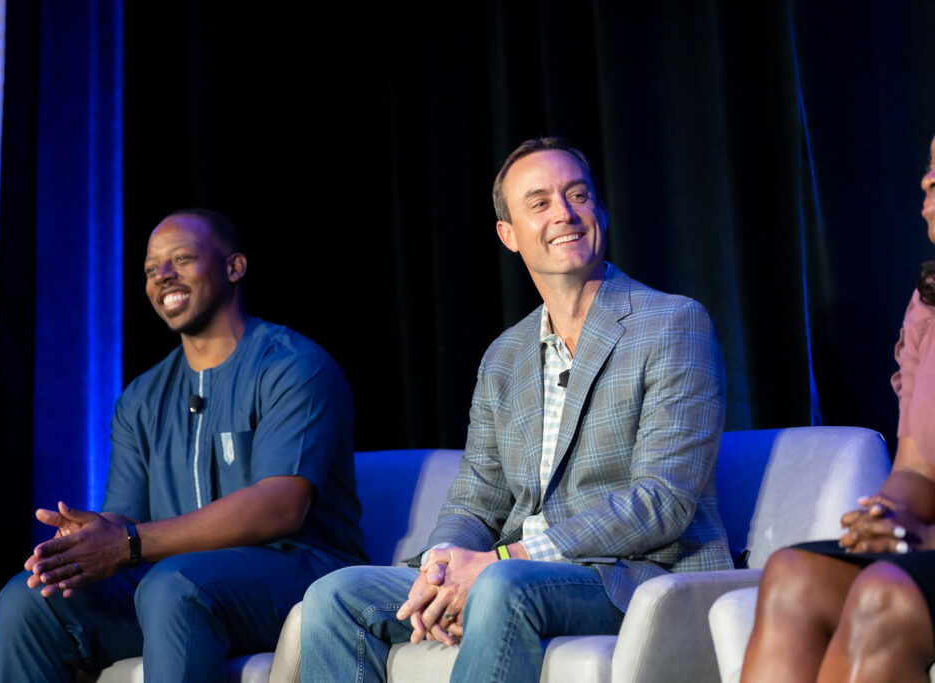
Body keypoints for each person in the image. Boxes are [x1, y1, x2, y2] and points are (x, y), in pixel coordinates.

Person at [300, 137, 731, 682]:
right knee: (335, 594)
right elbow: (477, 497)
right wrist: (442, 567)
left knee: (500, 586)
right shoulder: (504, 355)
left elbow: (662, 501)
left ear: (600, 210)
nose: (565, 214)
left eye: (578, 195)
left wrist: (506, 561)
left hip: (634, 575)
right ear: (509, 235)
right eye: (541, 202)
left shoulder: (672, 323)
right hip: (515, 571)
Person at [0, 209, 366, 682]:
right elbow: (126, 513)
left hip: (302, 573)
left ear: (234, 267)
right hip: (174, 587)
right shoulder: (142, 396)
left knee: (175, 583)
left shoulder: (293, 366)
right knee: (29, 599)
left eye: (181, 259)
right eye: (151, 269)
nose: (162, 275)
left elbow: (281, 507)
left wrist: (127, 544)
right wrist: (92, 538)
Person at [740, 135, 935, 682]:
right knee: (793, 572)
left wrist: (921, 540)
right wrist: (889, 517)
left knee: (884, 594)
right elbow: (917, 467)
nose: (925, 183)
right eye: (927, 169)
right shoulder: (930, 301)